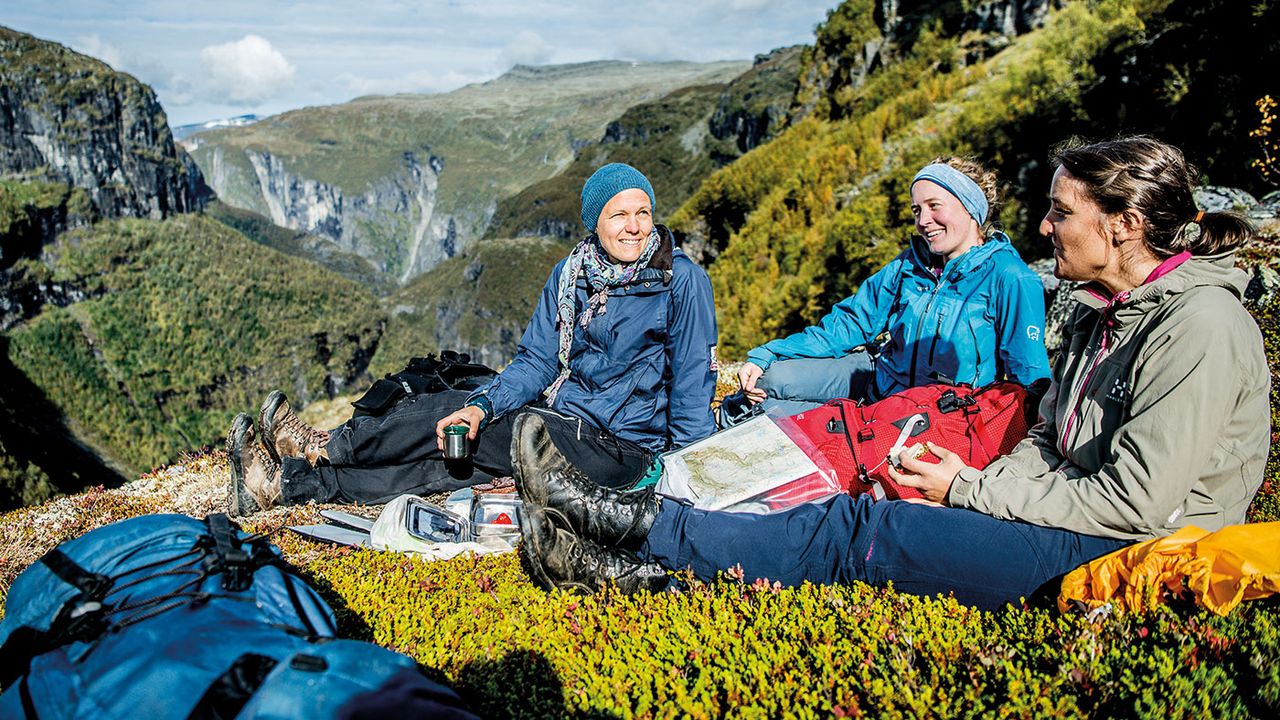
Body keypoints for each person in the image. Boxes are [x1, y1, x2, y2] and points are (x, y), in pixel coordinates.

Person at [513, 136, 1271, 610]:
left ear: (1124, 224)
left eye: (1061, 212)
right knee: (847, 503)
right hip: (1062, 513)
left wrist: (970, 489)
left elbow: (1136, 501)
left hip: (1127, 552)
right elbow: (1050, 442)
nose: (1045, 228)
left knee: (862, 534)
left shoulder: (1197, 325)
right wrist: (979, 486)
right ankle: (633, 568)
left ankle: (632, 525)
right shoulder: (1102, 311)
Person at [225, 163, 719, 513]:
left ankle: (325, 447)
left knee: (467, 430)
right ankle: (289, 484)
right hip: (566, 418)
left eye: (643, 212)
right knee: (456, 447)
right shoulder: (572, 276)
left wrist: (688, 478)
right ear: (595, 224)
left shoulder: (682, 282)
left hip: (622, 447)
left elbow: (693, 387)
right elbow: (537, 362)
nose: (635, 227)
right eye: (619, 215)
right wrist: (482, 406)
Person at [736, 157, 1051, 416]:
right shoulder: (911, 263)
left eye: (934, 206)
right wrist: (768, 352)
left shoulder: (1010, 277)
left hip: (938, 415)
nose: (923, 221)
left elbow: (1028, 377)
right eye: (917, 210)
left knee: (771, 416)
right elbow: (850, 323)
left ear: (970, 208)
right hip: (878, 383)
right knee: (767, 382)